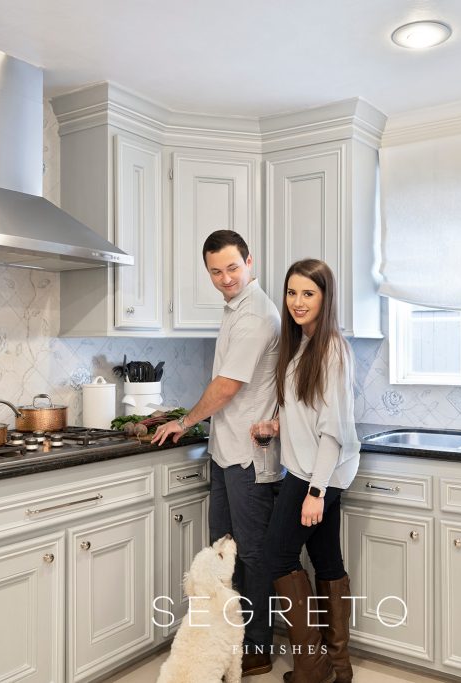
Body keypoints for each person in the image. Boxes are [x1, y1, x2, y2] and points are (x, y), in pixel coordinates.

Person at [151, 229, 281, 677]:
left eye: (232, 267)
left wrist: (184, 421)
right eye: (215, 271)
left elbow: (228, 386)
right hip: (226, 451)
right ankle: (225, 640)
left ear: (250, 262)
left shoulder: (256, 316)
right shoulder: (235, 307)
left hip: (249, 454)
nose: (225, 277)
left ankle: (259, 645)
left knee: (251, 555)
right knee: (224, 552)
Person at [257, 259, 360, 683]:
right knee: (325, 558)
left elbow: (332, 432)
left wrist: (315, 492)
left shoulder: (331, 348)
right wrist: (276, 425)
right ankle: (338, 664)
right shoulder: (300, 343)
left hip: (318, 473)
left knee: (275, 556)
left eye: (308, 294)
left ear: (325, 298)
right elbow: (309, 412)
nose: (298, 302)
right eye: (292, 292)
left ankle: (311, 667)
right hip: (315, 468)